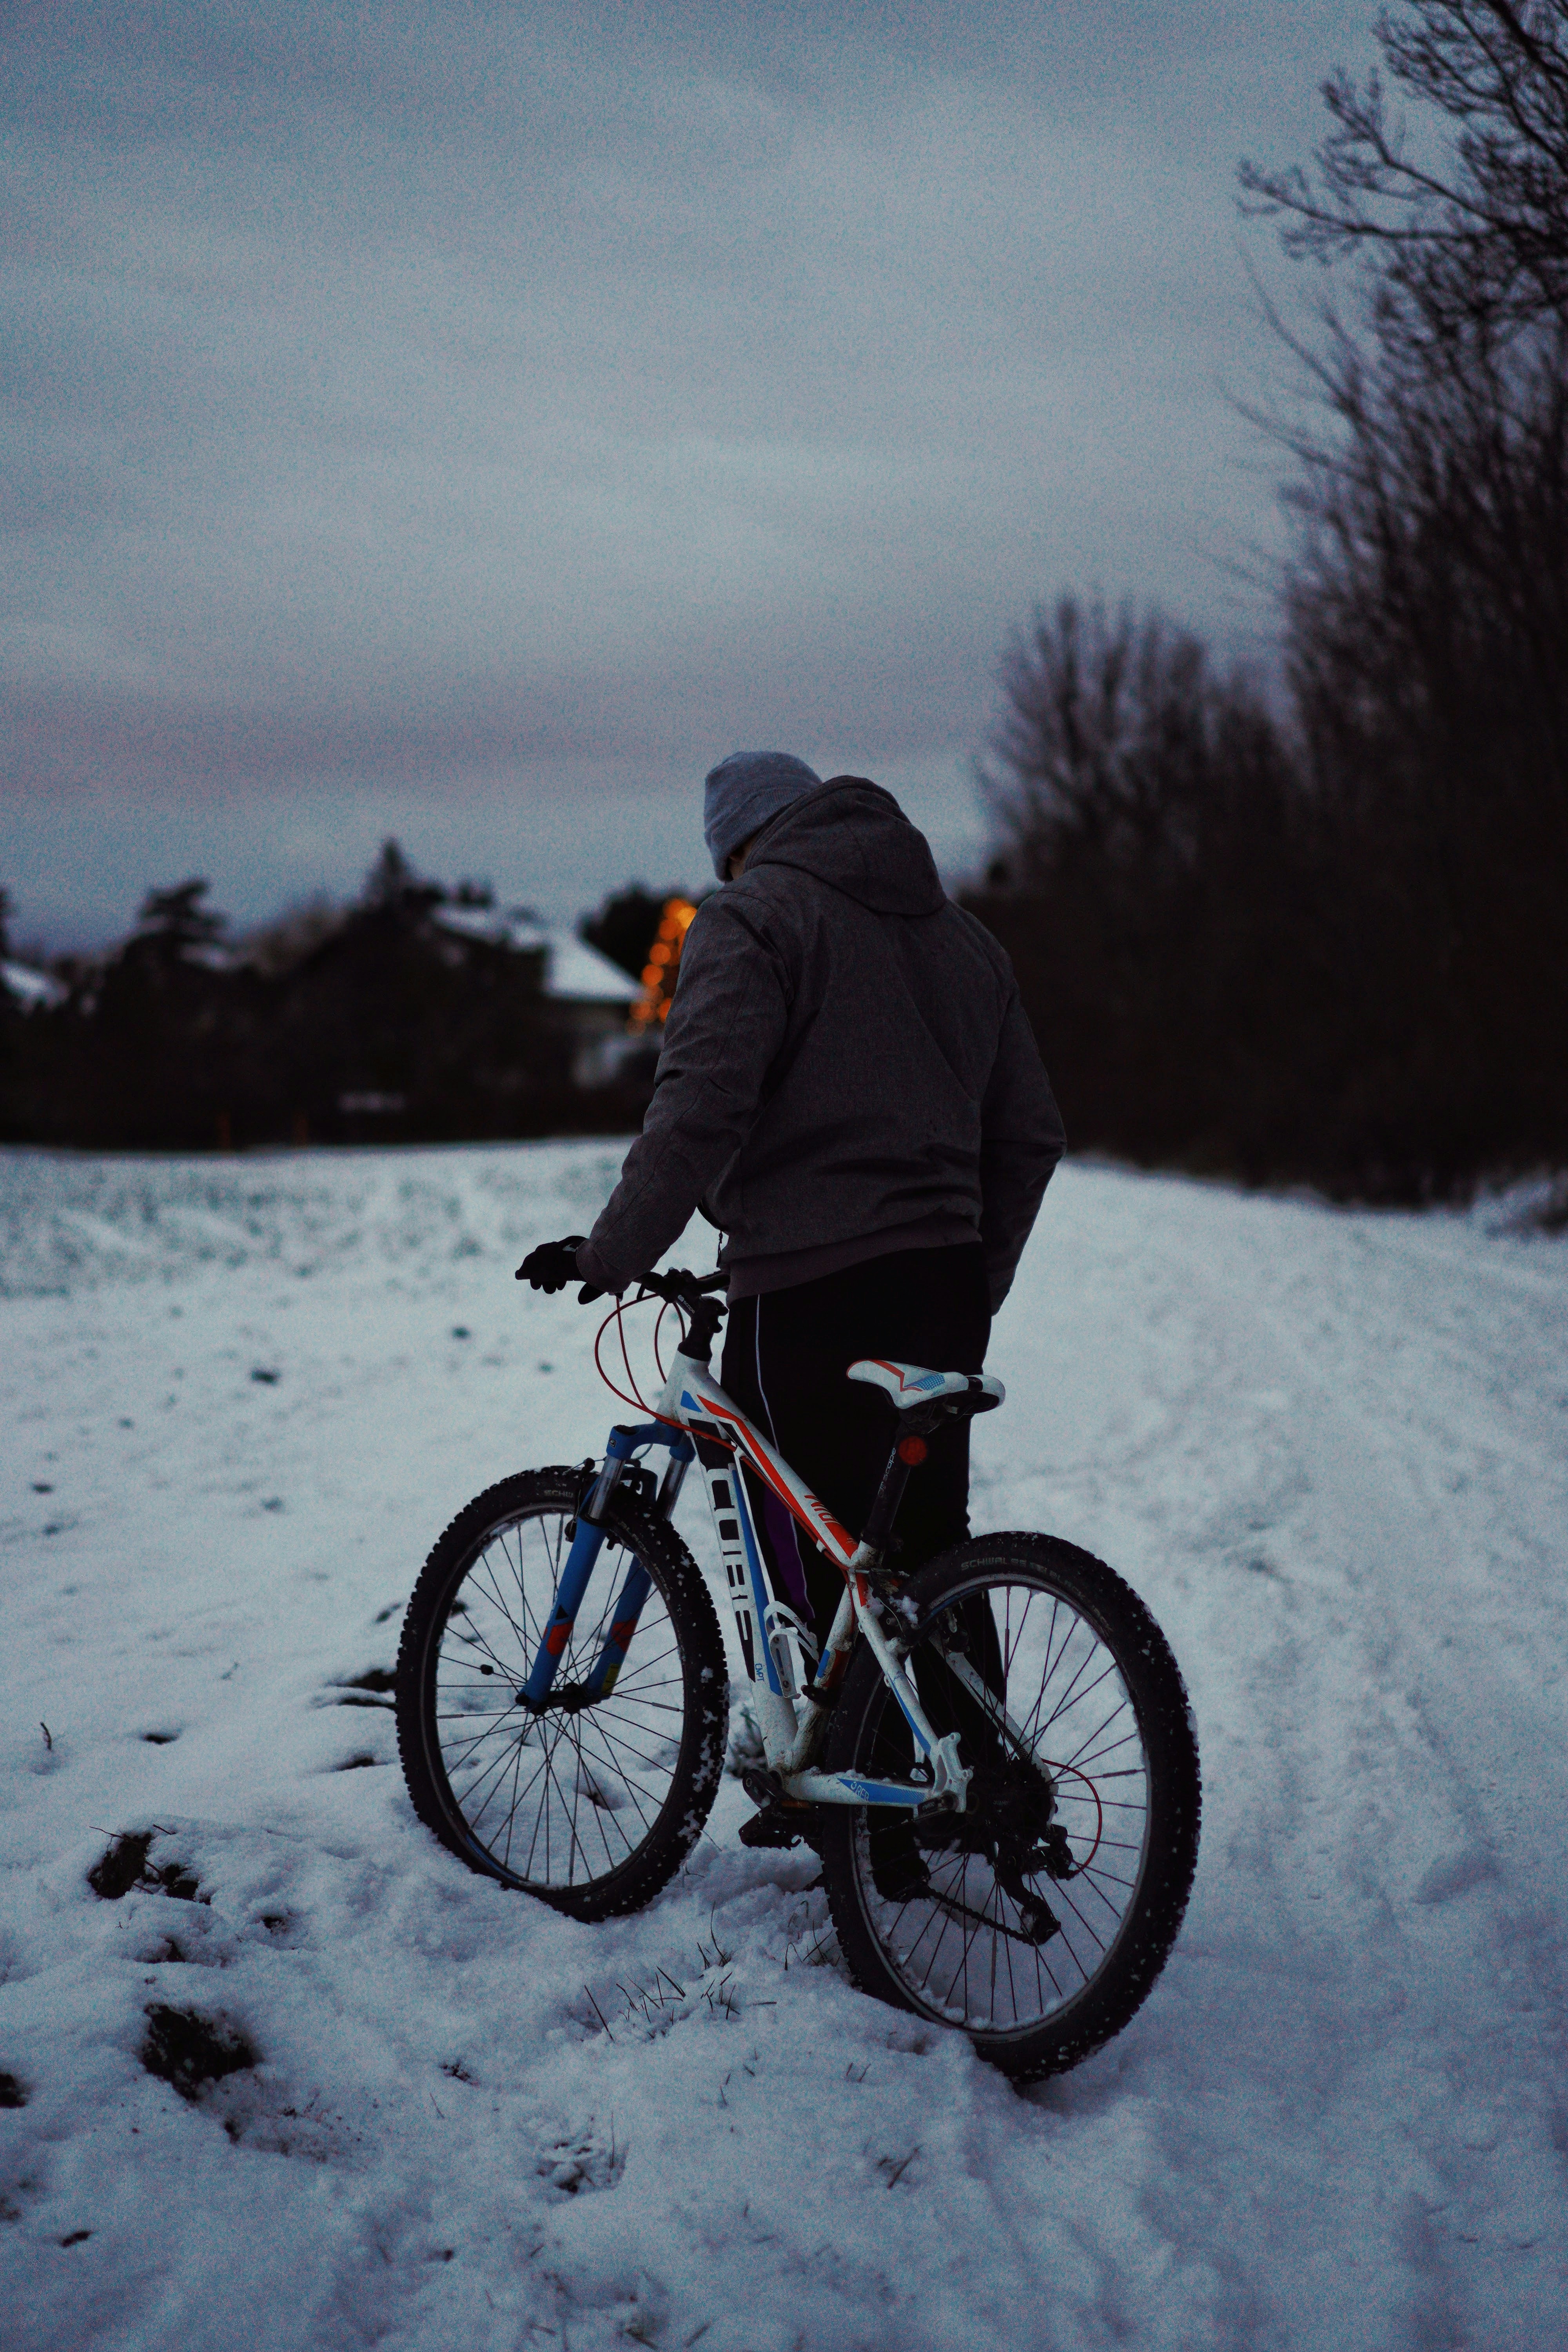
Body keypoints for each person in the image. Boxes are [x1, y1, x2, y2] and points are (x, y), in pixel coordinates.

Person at [519, 751, 1065, 1849]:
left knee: (811, 1545)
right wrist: (971, 1278)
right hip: (942, 1288)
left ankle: (857, 1818)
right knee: (923, 1550)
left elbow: (701, 1104)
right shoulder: (967, 941)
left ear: (738, 844)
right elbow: (1030, 1139)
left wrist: (614, 1252)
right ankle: (973, 1786)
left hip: (811, 1286)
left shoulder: (753, 916)